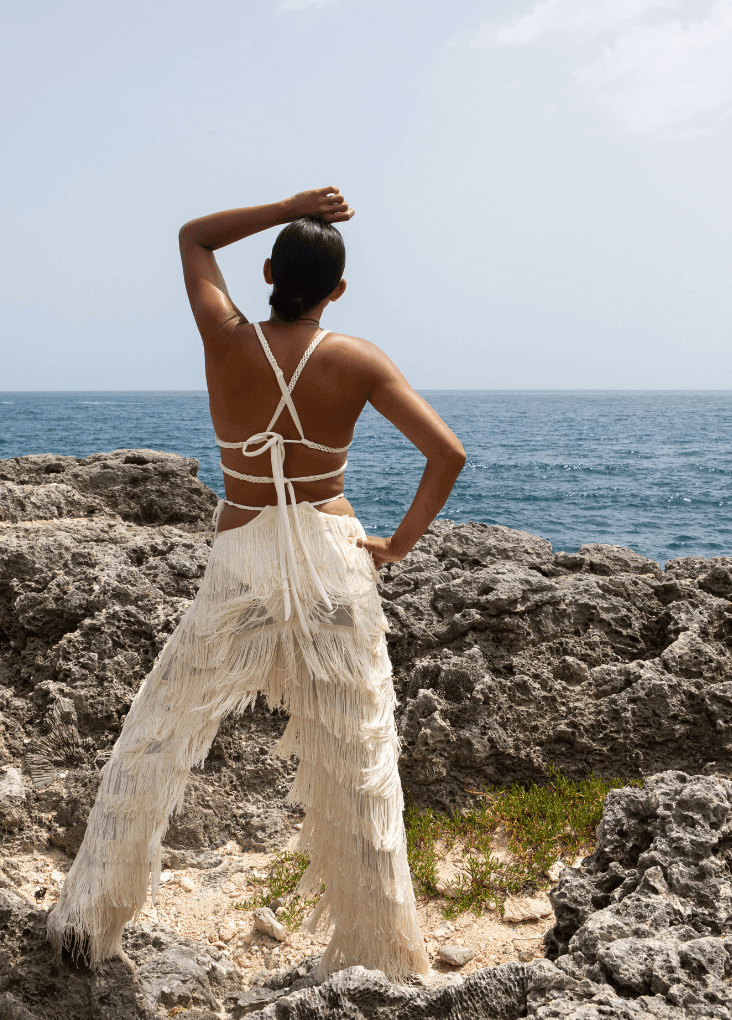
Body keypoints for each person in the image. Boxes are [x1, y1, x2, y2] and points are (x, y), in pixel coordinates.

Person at [46, 187, 466, 981]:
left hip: (242, 553)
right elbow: (447, 455)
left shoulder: (225, 338)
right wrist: (398, 547)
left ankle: (85, 927)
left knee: (158, 736)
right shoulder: (359, 358)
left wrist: (295, 204)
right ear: (338, 292)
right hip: (334, 557)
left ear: (269, 269)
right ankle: (383, 960)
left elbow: (193, 236)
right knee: (358, 758)